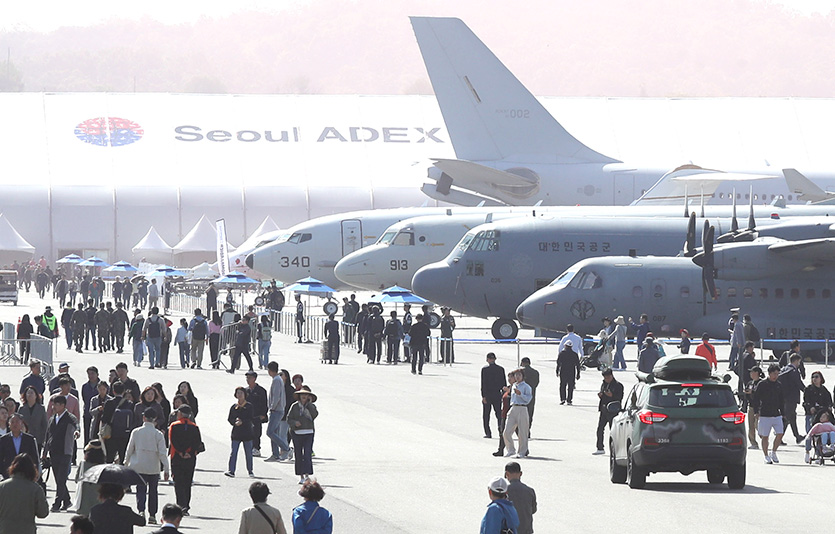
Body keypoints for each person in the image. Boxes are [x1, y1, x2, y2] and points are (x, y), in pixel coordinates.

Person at [125, 408, 169, 524]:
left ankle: (141, 511)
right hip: (153, 467)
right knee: (153, 491)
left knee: (141, 489)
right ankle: (152, 515)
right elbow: (162, 453)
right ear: (155, 419)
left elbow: (129, 449)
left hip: (139, 465)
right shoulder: (158, 434)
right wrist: (166, 469)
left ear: (143, 417)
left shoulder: (136, 432)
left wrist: (126, 463)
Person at [43, 395, 79, 512]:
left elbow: (76, 426)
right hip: (54, 451)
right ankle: (67, 500)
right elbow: (48, 435)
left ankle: (57, 503)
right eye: (53, 404)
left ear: (63, 405)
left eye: (56, 404)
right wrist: (45, 451)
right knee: (58, 477)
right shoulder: (52, 418)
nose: (53, 407)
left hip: (65, 451)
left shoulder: (70, 418)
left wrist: (77, 432)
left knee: (61, 478)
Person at [0, 454, 49, 533]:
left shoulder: (2, 486)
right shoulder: (36, 489)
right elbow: (43, 513)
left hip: (4, 529)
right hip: (27, 530)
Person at [169, 405, 202, 515]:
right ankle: (186, 506)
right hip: (190, 458)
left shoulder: (174, 425)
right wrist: (190, 452)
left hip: (177, 457)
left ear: (180, 413)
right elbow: (197, 442)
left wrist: (181, 452)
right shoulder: (194, 427)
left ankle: (180, 504)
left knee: (178, 482)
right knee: (187, 482)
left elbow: (173, 441)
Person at [753, 363, 785, 464]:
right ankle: (766, 455)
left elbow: (781, 400)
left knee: (780, 433)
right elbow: (756, 399)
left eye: (777, 374)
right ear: (770, 373)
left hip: (776, 414)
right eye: (774, 373)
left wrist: (783, 413)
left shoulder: (779, 385)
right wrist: (756, 411)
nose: (776, 376)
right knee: (765, 436)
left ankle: (773, 452)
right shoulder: (762, 384)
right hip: (765, 414)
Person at [287, 386, 318, 484]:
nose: (304, 396)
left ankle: (307, 475)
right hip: (297, 433)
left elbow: (314, 415)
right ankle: (301, 476)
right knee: (298, 454)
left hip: (309, 432)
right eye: (302, 395)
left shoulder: (311, 406)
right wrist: (295, 423)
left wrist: (309, 405)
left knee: (307, 454)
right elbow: (289, 418)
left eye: (306, 395)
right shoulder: (294, 406)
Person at [101, 381, 134, 464]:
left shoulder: (109, 403)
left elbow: (104, 419)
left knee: (109, 458)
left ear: (113, 391)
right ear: (124, 391)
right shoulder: (129, 404)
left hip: (111, 434)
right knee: (123, 458)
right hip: (125, 434)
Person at [226, 386, 255, 478]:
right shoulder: (234, 407)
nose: (239, 395)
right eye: (238, 393)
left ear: (245, 394)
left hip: (247, 433)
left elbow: (251, 418)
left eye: (241, 393)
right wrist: (235, 422)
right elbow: (230, 418)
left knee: (248, 453)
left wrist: (242, 422)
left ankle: (250, 471)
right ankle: (231, 470)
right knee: (234, 452)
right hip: (236, 433)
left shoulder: (249, 406)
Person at [803, 371, 832, 463]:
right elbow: (806, 401)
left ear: (821, 378)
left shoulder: (824, 390)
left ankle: (819, 453)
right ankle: (807, 452)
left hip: (822, 415)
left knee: (822, 434)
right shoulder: (809, 389)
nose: (814, 379)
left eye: (816, 377)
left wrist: (829, 407)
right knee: (810, 433)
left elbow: (829, 401)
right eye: (813, 377)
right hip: (811, 415)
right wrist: (810, 407)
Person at [265, 362, 291, 462]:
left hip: (276, 410)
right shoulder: (278, 379)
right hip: (278, 409)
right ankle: (275, 454)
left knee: (270, 432)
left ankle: (286, 448)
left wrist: (272, 407)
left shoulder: (276, 380)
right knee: (274, 432)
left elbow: (276, 396)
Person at [778, 353, 807, 444]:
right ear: (796, 361)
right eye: (799, 362)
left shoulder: (784, 369)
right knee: (787, 417)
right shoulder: (794, 371)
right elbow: (798, 383)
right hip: (791, 398)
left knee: (792, 417)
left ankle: (797, 436)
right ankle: (779, 437)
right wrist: (806, 391)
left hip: (784, 397)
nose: (799, 364)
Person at [594, 368, 624, 454]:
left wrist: (611, 395)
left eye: (608, 377)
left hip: (613, 411)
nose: (606, 379)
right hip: (604, 410)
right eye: (605, 378)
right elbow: (603, 394)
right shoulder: (604, 384)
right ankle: (600, 448)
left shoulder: (618, 385)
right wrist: (601, 395)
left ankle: (615, 450)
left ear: (611, 376)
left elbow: (619, 398)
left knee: (613, 431)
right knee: (600, 429)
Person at [502, 370, 532, 458]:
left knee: (522, 432)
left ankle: (522, 452)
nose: (517, 377)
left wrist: (520, 394)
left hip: (522, 408)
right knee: (506, 432)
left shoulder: (526, 387)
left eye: (519, 375)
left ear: (523, 376)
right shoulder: (514, 385)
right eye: (516, 375)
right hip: (513, 408)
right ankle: (510, 450)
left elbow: (528, 399)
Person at [0, 414, 40, 479]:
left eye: (17, 422)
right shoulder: (3, 439)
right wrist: (3, 473)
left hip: (26, 474)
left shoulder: (29, 439)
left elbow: (34, 458)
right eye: (12, 422)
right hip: (8, 475)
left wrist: (35, 473)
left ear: (21, 423)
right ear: (9, 425)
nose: (15, 424)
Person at [504, 462, 536, 534]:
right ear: (521, 473)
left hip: (510, 530)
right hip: (526, 530)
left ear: (507, 474)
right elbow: (533, 510)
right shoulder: (530, 490)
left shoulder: (505, 491)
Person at [481, 353, 506, 439]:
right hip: (497, 394)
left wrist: (483, 396)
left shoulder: (485, 369)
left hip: (488, 394)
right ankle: (501, 431)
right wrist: (504, 395)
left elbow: (483, 383)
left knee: (486, 415)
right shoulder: (500, 369)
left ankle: (488, 433)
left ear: (487, 359)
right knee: (499, 414)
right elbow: (504, 384)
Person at [245, 371, 269, 458]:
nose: (248, 380)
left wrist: (263, 414)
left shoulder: (261, 391)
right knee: (248, 432)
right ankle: (250, 447)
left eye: (250, 378)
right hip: (248, 416)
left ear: (254, 379)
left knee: (257, 432)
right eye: (247, 378)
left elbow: (265, 403)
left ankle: (256, 448)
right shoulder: (245, 390)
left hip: (257, 415)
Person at [743, 366, 764, 450]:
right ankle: (753, 442)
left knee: (758, 425)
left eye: (752, 372)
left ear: (757, 373)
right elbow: (747, 392)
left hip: (760, 407)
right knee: (751, 426)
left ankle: (764, 438)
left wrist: (753, 392)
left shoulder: (761, 383)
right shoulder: (750, 383)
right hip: (751, 406)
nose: (750, 374)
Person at [556, 340, 581, 405]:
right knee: (570, 386)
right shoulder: (574, 354)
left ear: (565, 346)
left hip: (563, 371)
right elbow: (578, 365)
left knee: (562, 385)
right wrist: (578, 373)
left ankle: (563, 399)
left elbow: (558, 363)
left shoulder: (562, 353)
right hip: (571, 372)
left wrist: (557, 371)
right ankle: (569, 400)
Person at [520, 357, 540, 428]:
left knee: (521, 413)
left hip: (521, 395)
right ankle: (528, 428)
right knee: (530, 412)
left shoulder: (520, 372)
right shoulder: (535, 372)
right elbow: (536, 383)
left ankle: (522, 428)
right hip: (532, 394)